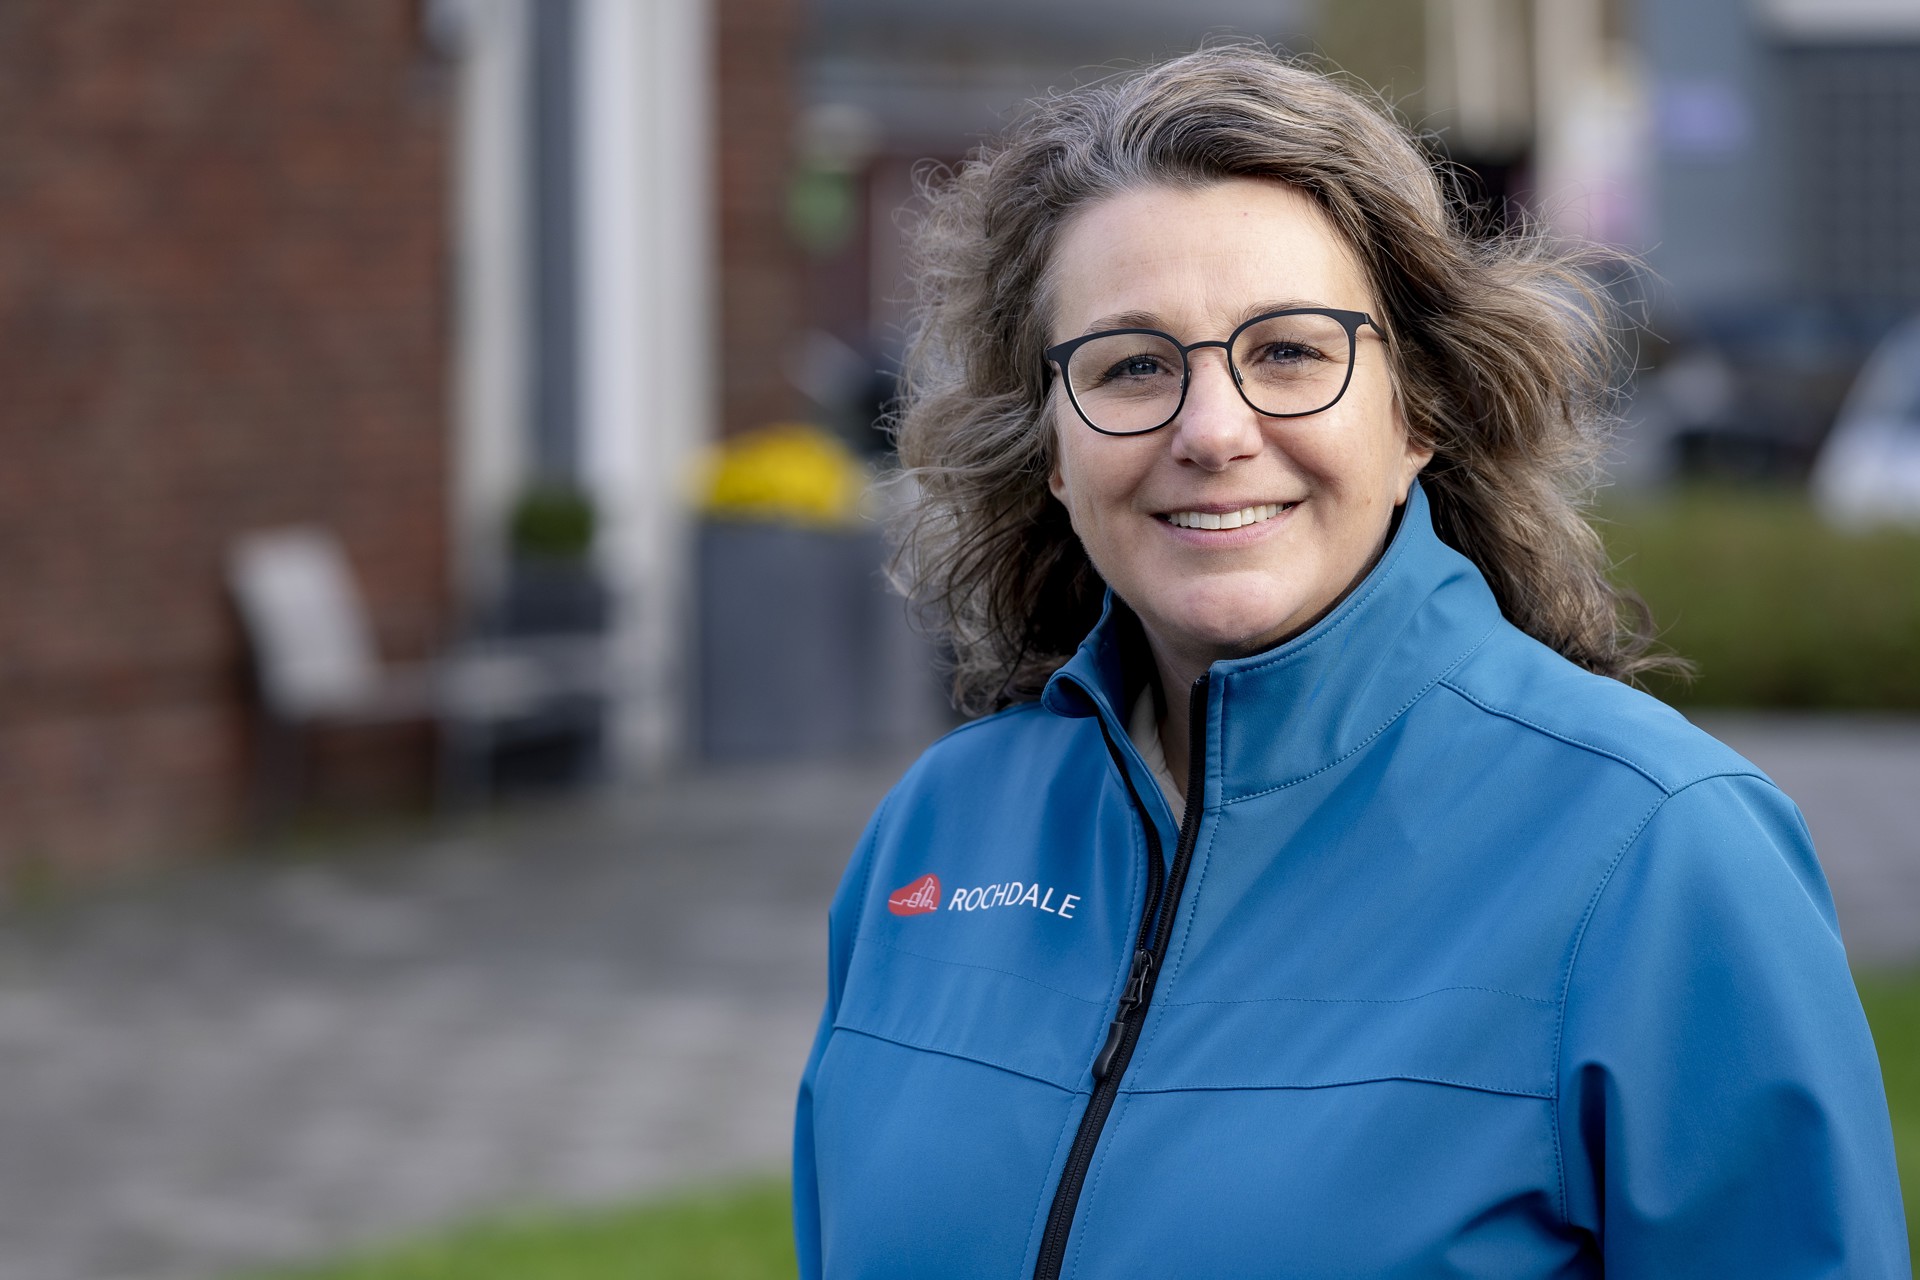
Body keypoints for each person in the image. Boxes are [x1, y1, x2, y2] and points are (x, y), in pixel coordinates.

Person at [792, 45, 1908, 1278]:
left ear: (1417, 408)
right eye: (1131, 364)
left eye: (1288, 351)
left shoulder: (1654, 848)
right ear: (1051, 445)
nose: (1213, 430)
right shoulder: (935, 834)